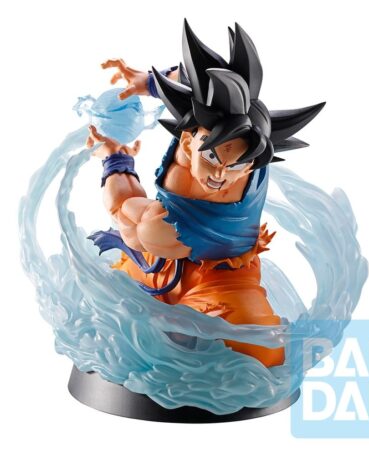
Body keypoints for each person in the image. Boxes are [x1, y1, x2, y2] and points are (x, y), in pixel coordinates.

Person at [87, 19, 325, 368]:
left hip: (223, 281)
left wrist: (116, 158)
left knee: (259, 354)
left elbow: (130, 215)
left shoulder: (236, 170)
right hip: (159, 269)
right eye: (213, 157)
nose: (220, 175)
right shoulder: (205, 130)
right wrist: (150, 83)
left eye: (238, 165)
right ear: (187, 141)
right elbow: (196, 81)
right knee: (113, 304)